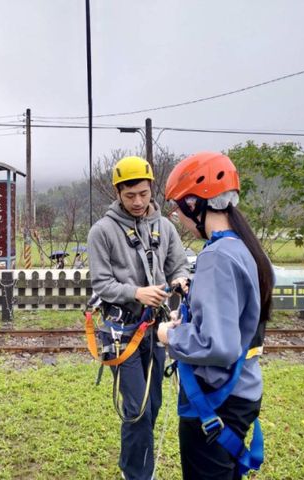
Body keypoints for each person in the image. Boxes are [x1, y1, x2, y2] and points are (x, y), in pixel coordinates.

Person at [157, 151, 274, 480]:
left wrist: (169, 334)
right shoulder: (244, 247)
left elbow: (218, 346)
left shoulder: (217, 256)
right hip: (241, 393)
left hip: (217, 400)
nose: (178, 217)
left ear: (195, 205)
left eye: (179, 208)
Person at [87, 156, 190, 480]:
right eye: (130, 195)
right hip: (121, 331)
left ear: (151, 189)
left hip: (156, 330)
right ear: (118, 192)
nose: (138, 202)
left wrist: (180, 281)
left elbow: (179, 265)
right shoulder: (102, 232)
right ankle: (136, 475)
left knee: (154, 405)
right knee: (137, 410)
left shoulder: (165, 227)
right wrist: (137, 292)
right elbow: (102, 283)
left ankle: (133, 467)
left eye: (143, 194)